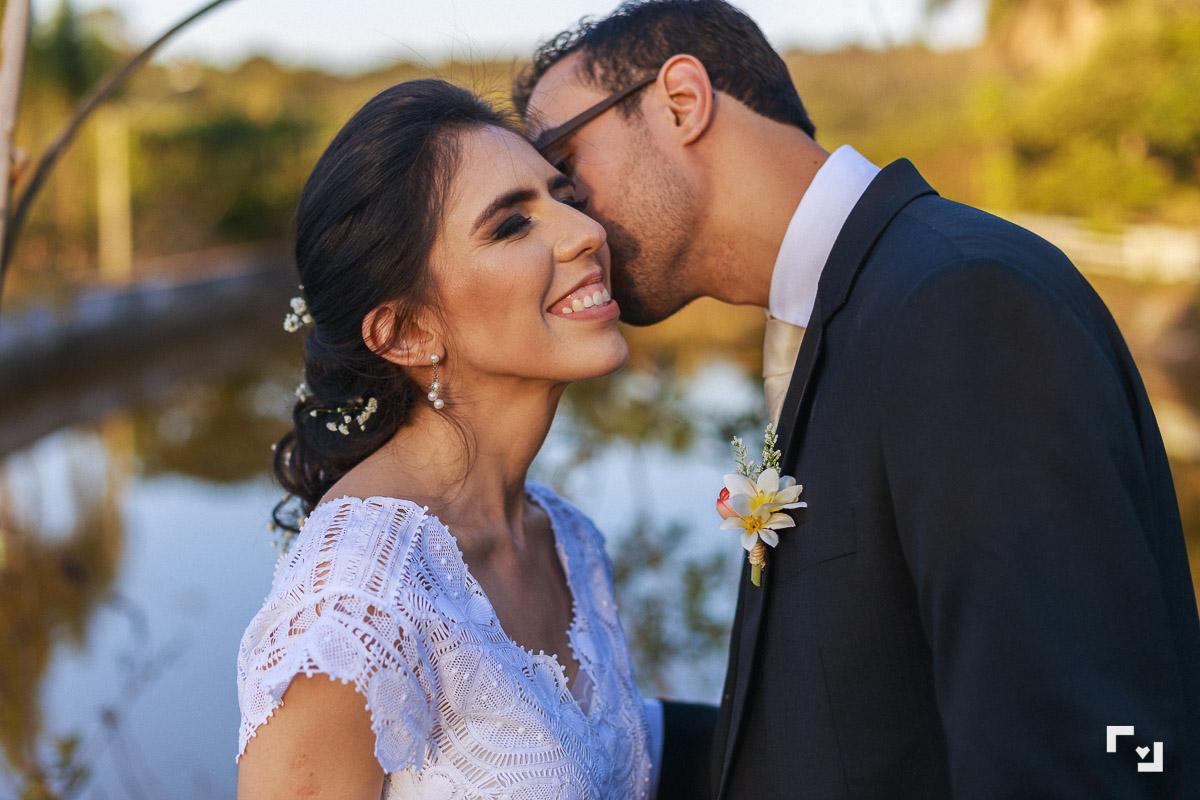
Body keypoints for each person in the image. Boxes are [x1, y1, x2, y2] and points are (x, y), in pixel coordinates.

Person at [515, 1, 1200, 797]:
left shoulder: (958, 303)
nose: (568, 219)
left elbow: (1083, 747)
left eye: (566, 166)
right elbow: (869, 721)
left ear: (681, 102)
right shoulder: (850, 312)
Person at [235, 79, 712, 799]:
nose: (587, 233)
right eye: (511, 226)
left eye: (565, 198)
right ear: (406, 331)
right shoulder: (355, 610)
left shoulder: (566, 539)